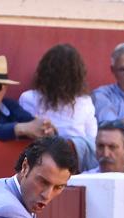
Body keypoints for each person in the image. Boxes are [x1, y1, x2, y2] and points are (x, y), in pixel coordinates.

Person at [19, 43, 98, 171]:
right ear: (78, 76)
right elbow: (92, 138)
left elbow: (92, 141)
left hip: (71, 167)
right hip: (47, 164)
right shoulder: (29, 98)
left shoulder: (85, 102)